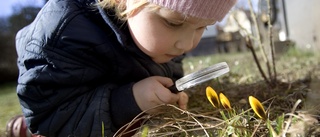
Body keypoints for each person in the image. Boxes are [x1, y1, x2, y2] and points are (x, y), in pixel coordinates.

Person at [14, 0, 237, 136]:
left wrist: (170, 91)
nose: (187, 44)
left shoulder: (164, 41)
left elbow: (172, 68)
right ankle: (18, 128)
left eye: (202, 27)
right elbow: (50, 118)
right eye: (173, 22)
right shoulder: (62, 35)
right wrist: (127, 102)